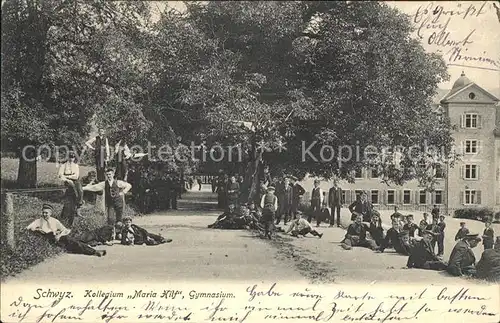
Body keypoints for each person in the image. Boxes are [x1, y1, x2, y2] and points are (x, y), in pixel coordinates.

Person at [26, 204, 106, 257]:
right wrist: (38, 229)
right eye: (43, 213)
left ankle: (93, 251)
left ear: (50, 213)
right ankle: (93, 250)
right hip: (49, 238)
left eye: (46, 213)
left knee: (73, 241)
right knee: (72, 241)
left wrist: (59, 235)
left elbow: (64, 229)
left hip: (59, 238)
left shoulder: (55, 221)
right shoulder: (39, 221)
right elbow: (28, 228)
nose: (44, 215)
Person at [58, 151, 84, 216]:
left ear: (74, 158)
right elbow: (60, 175)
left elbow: (76, 176)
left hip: (75, 180)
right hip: (67, 181)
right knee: (72, 191)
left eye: (72, 157)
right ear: (67, 157)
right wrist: (67, 179)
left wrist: (67, 176)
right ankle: (70, 210)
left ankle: (78, 207)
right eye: (70, 157)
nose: (71, 159)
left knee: (80, 190)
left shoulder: (76, 166)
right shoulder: (63, 165)